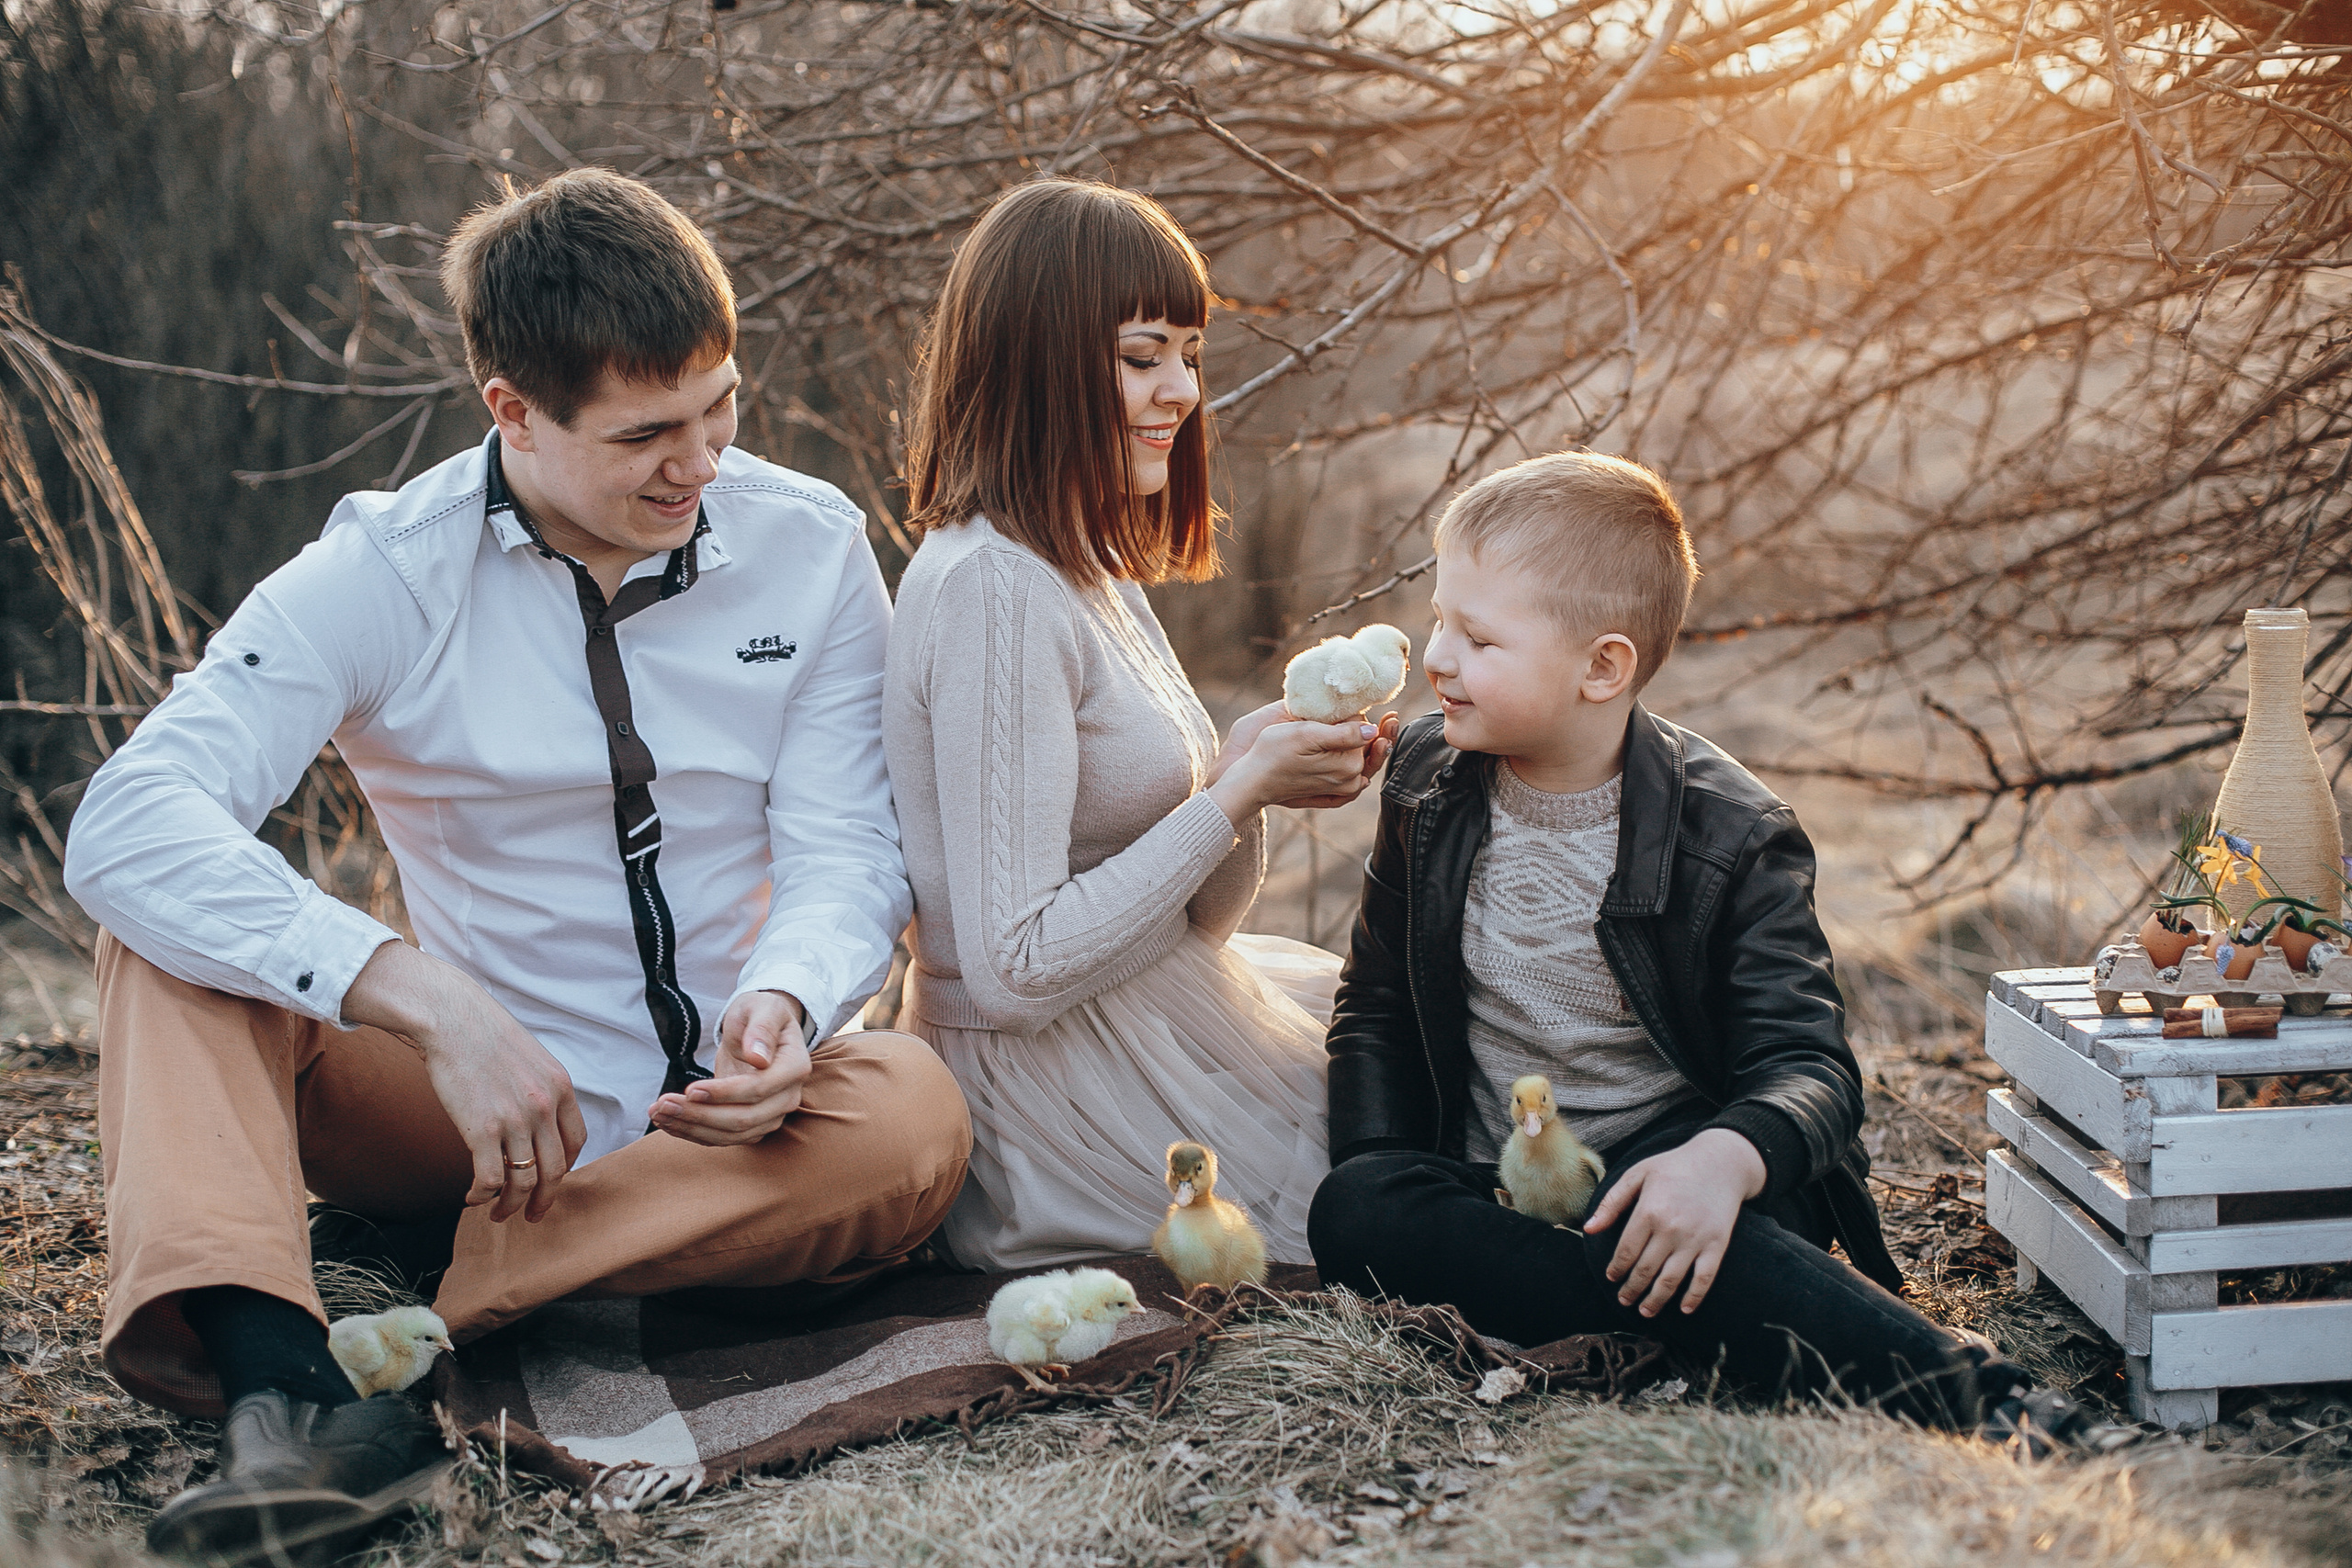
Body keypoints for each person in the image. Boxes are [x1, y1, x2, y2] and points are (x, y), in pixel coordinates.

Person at [63, 168, 971, 1562]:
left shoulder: (816, 546)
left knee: (913, 1110)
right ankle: (282, 1399)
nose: (702, 462)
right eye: (646, 433)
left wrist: (795, 997)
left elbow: (850, 841)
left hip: (742, 1142)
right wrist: (431, 1002)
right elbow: (130, 817)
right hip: (475, 1122)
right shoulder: (386, 570)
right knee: (169, 933)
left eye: (720, 406)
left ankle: (441, 1324)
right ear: (513, 411)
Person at [1307, 451, 2047, 1433]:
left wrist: (1724, 1161)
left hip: (1673, 1177)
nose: (1435, 655)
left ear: (1602, 666)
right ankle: (1711, 1314)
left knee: (1728, 1234)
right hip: (1501, 1181)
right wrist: (1391, 1176)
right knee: (1354, 1209)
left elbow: (1808, 1068)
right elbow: (1377, 1007)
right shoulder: (1424, 779)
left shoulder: (1732, 833)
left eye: (1477, 637)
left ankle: (1983, 1399)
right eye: (1439, 617)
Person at [884, 179, 1396, 1270]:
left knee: (1436, 1088)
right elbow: (1015, 968)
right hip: (1055, 1086)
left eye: (1191, 356)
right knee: (1408, 1191)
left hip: (1154, 1010)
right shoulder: (994, 594)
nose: (1180, 391)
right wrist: (1231, 796)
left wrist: (1244, 764)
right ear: (1036, 361)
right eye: (1140, 356)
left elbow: (1197, 920)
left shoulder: (1082, 571)